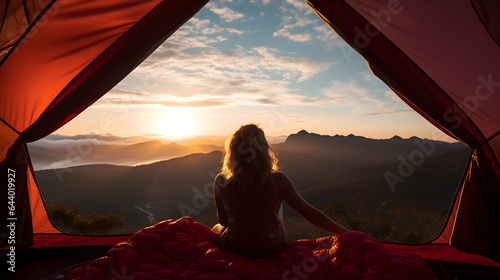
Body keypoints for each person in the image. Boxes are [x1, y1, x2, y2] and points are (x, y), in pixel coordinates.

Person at [212, 124, 348, 258]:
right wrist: (348, 233)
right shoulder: (278, 179)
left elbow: (224, 221)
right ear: (264, 150)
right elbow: (312, 215)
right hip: (272, 247)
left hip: (235, 248)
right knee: (278, 205)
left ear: (233, 152)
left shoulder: (220, 180)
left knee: (216, 227)